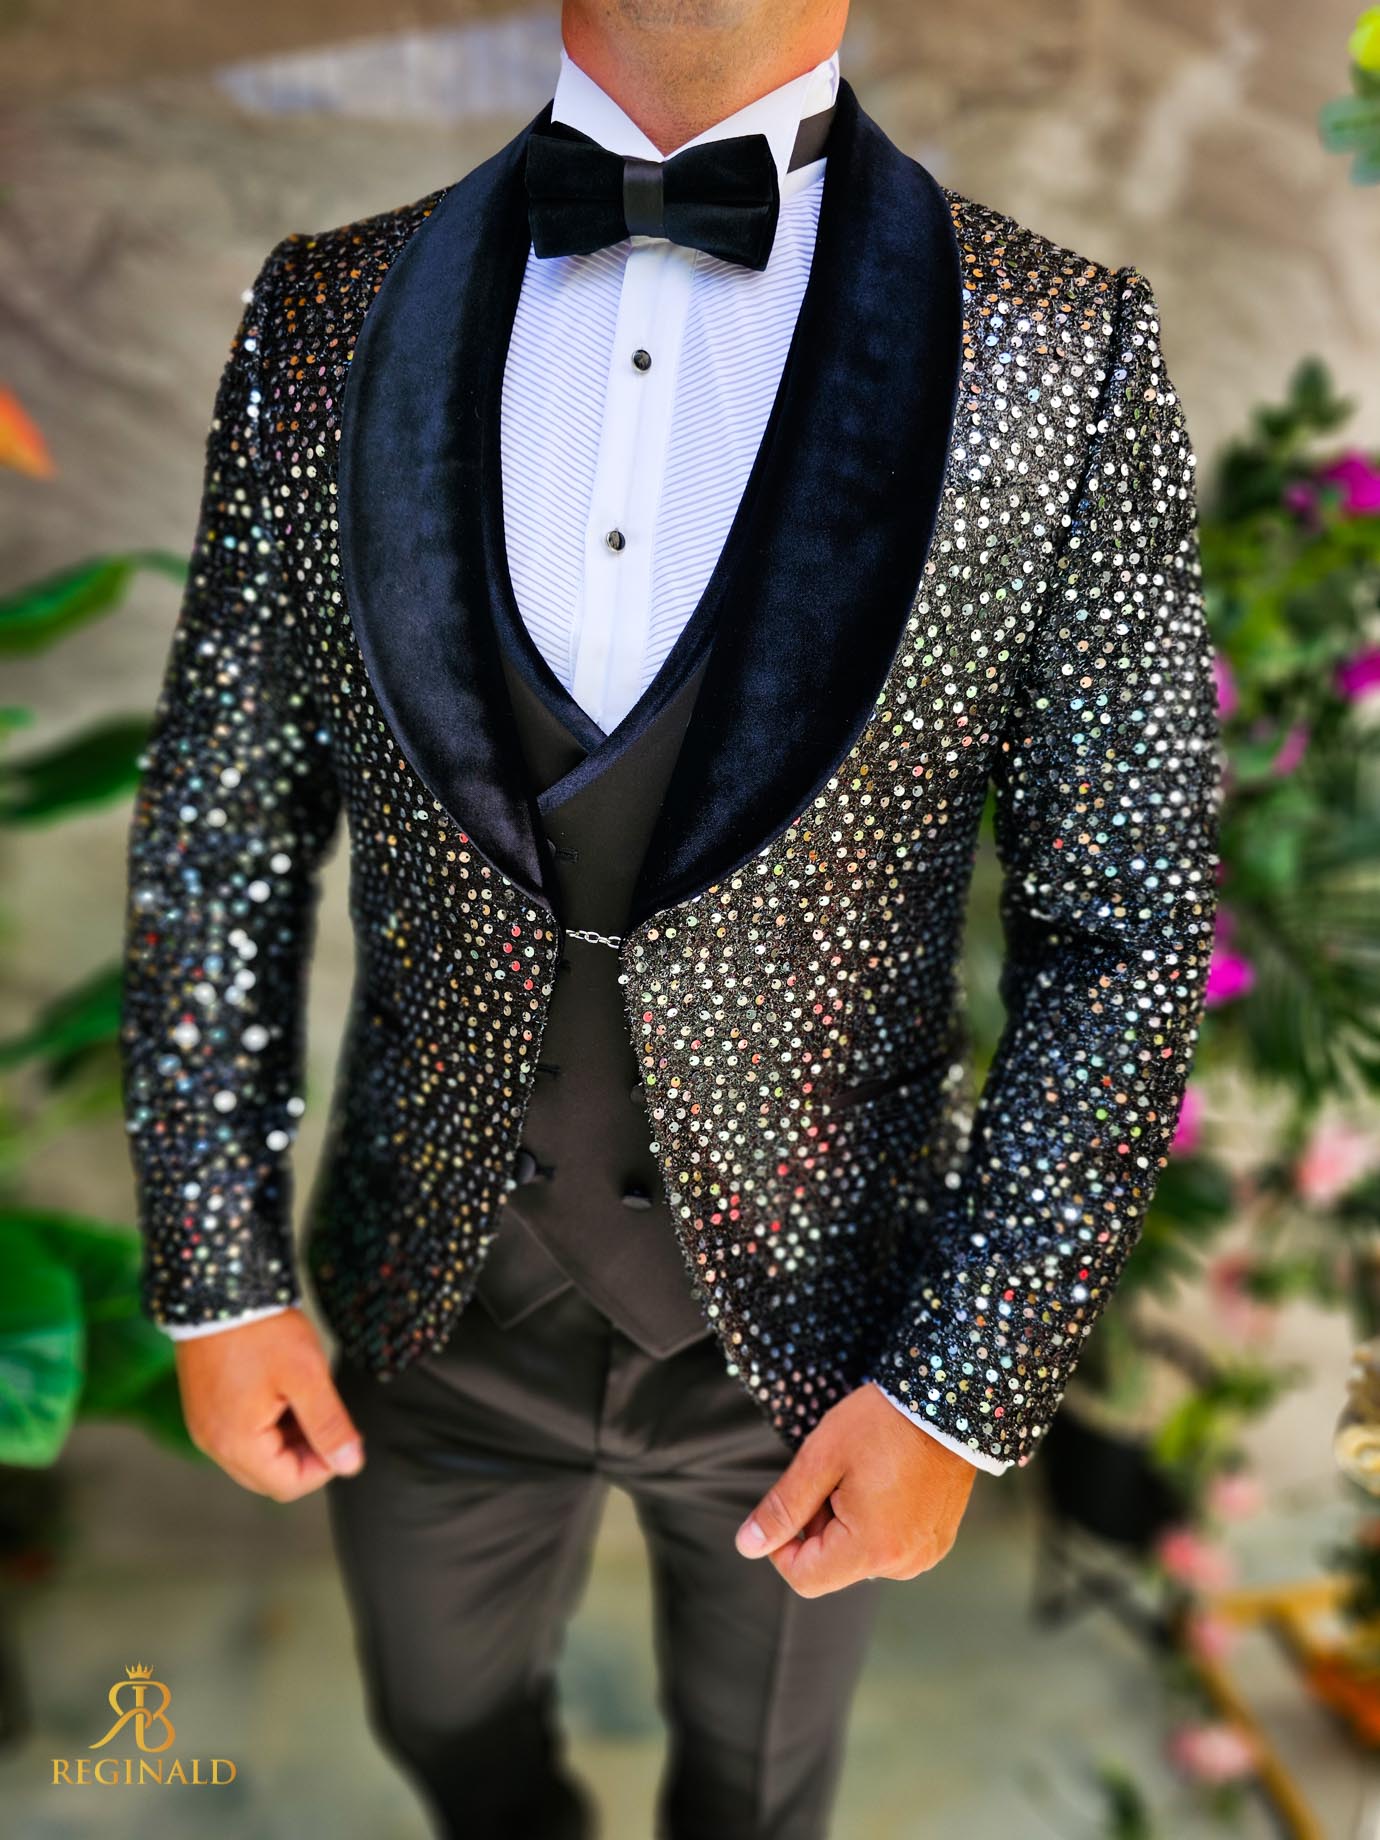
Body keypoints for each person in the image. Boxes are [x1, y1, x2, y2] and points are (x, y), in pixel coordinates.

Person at [117, 1, 1222, 1834]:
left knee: (757, 1794)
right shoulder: (326, 311)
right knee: (447, 1736)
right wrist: (218, 1273)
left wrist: (961, 1386)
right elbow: (219, 827)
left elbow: (1128, 916)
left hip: (819, 1341)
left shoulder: (1061, 345)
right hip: (427, 1300)